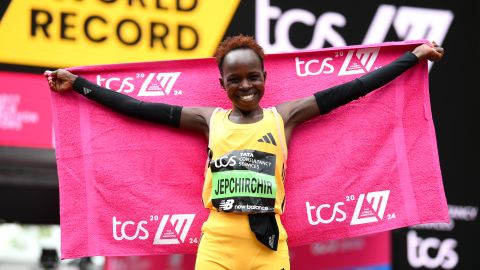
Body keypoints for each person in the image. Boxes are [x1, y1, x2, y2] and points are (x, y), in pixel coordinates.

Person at [45, 34, 444, 270]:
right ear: (222, 83)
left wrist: (412, 58)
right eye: (235, 79)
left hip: (268, 247)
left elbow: (353, 89)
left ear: (265, 78)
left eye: (253, 77)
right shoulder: (208, 120)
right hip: (217, 243)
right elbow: (137, 108)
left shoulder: (284, 117)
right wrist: (78, 84)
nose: (245, 85)